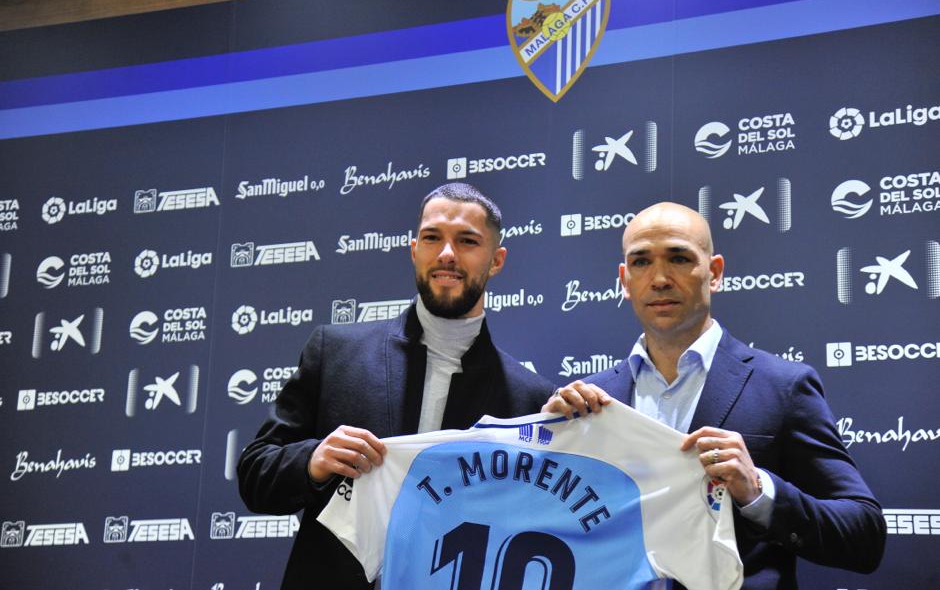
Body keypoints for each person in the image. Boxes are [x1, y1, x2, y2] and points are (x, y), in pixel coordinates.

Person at [543, 202, 885, 590]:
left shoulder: (783, 387)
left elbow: (864, 536)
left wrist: (757, 490)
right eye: (641, 262)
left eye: (678, 258)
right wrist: (548, 450)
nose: (659, 278)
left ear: (715, 272)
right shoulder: (589, 402)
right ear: (624, 280)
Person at [237, 182, 554, 590]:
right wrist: (313, 460)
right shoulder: (335, 353)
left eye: (467, 241)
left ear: (496, 260)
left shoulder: (530, 400)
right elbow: (255, 474)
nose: (446, 254)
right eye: (432, 238)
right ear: (413, 249)